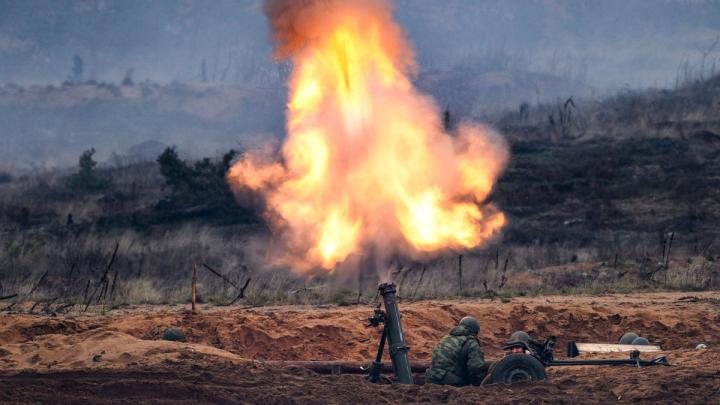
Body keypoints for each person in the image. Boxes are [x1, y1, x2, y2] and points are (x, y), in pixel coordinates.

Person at [425, 316, 485, 386]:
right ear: (475, 332)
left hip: (431, 377)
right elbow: (475, 368)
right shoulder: (471, 343)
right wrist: (477, 385)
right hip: (450, 381)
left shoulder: (446, 338)